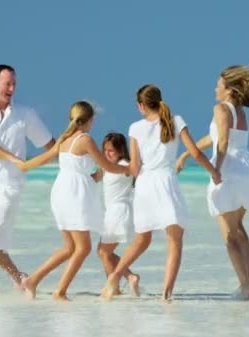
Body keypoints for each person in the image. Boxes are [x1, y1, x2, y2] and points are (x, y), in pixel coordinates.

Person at [102, 85, 221, 302]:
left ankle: (115, 276)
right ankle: (166, 294)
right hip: (165, 183)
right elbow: (194, 152)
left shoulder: (135, 128)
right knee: (175, 240)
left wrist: (113, 172)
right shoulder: (176, 121)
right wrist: (214, 172)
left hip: (145, 184)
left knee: (142, 240)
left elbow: (135, 168)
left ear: (141, 105)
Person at [15, 101, 130, 301]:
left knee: (70, 248)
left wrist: (23, 167)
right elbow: (108, 167)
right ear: (90, 120)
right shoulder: (85, 140)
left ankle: (32, 281)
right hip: (75, 194)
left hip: (61, 191)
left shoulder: (63, 138)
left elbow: (48, 159)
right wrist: (130, 169)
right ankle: (59, 292)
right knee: (83, 248)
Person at [176, 65, 249, 300]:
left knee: (228, 234)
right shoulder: (239, 111)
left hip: (228, 170)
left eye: (218, 85)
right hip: (247, 170)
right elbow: (215, 137)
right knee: (238, 227)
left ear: (228, 89)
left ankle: (245, 286)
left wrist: (216, 170)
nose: (215, 88)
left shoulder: (220, 108)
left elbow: (223, 142)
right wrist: (187, 154)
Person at [0, 64, 55, 295]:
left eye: (14, 83)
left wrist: (75, 158)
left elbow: (49, 144)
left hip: (10, 184)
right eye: (8, 83)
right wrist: (15, 158)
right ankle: (20, 278)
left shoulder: (25, 114)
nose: (12, 88)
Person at [91, 132, 140, 296]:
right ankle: (129, 277)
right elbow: (92, 178)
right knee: (103, 252)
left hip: (120, 212)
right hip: (112, 213)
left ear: (120, 150)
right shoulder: (106, 167)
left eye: (111, 150)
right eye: (104, 150)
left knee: (104, 252)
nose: (106, 154)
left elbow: (138, 169)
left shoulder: (125, 165)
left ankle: (114, 287)